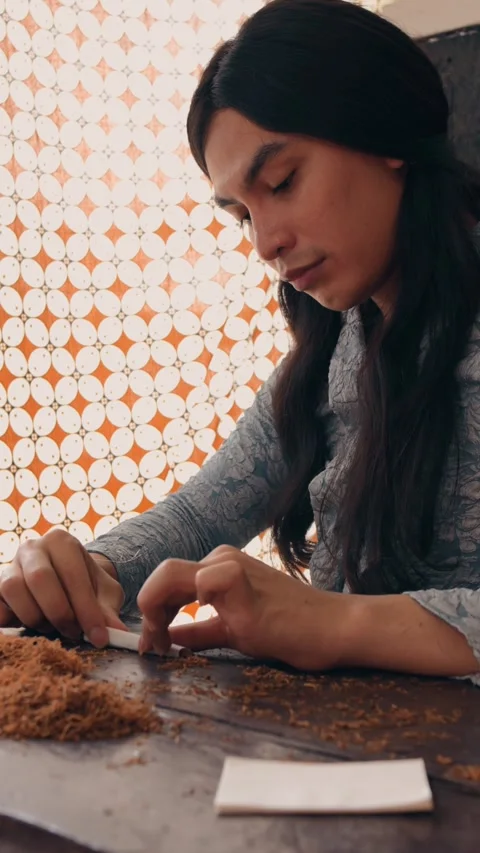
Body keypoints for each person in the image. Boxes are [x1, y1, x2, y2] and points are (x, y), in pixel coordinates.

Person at [2, 0, 480, 683]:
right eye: (242, 213)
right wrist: (93, 569)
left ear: (387, 135)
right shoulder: (334, 352)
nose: (265, 242)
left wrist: (332, 620)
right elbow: (207, 505)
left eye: (282, 182)